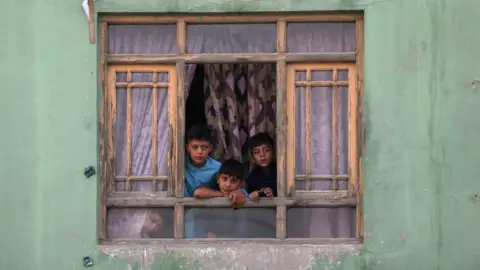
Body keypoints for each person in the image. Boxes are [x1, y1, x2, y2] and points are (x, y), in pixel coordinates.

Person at [184, 124, 247, 238]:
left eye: (204, 147)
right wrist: (223, 194)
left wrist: (239, 192)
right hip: (184, 211)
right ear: (187, 147)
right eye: (195, 147)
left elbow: (235, 187)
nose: (199, 152)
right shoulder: (180, 164)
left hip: (210, 213)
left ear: (210, 148)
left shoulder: (217, 168)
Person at [198, 159, 249, 238]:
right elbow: (198, 193)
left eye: (233, 181)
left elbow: (242, 233)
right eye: (224, 179)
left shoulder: (241, 197)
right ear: (218, 179)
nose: (227, 185)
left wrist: (218, 238)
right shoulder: (213, 190)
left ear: (241, 183)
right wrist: (222, 195)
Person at [246, 132, 277, 202]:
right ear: (252, 158)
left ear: (274, 152)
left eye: (267, 150)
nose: (262, 155)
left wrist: (274, 195)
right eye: (257, 152)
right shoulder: (252, 177)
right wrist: (253, 195)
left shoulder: (280, 172)